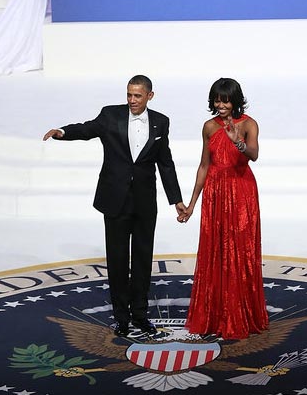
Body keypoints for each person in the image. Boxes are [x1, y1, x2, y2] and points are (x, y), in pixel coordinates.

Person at [43, 75, 186, 337]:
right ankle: (121, 318)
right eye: (129, 95)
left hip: (145, 203)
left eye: (137, 96)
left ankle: (140, 316)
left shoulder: (161, 122)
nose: (132, 100)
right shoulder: (110, 115)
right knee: (118, 261)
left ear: (149, 96)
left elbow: (165, 162)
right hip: (115, 200)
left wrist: (176, 199)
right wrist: (62, 132)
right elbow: (87, 129)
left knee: (142, 261)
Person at [178, 77, 269, 339]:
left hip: (241, 193)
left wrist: (236, 141)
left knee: (240, 252)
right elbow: (204, 165)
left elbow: (253, 154)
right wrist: (192, 204)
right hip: (215, 195)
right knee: (215, 252)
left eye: (225, 100)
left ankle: (241, 316)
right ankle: (215, 317)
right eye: (217, 100)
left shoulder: (249, 124)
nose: (221, 105)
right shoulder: (208, 127)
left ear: (236, 100)